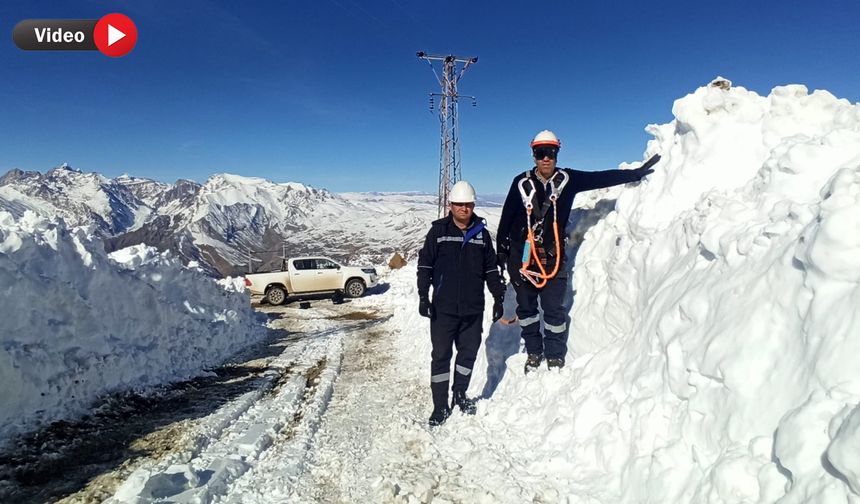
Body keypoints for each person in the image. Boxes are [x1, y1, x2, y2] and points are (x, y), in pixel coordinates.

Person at [496, 130, 660, 372]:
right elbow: (507, 217)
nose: (546, 158)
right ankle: (534, 351)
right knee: (527, 309)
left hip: (553, 257)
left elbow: (600, 178)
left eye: (550, 153)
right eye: (541, 153)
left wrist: (634, 174)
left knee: (553, 310)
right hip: (523, 259)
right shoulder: (521, 183)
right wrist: (502, 252)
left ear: (556, 154)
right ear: (534, 155)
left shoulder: (567, 180)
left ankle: (554, 354)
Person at [417, 180, 506, 426]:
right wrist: (423, 295)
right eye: (459, 205)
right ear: (451, 205)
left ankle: (459, 394)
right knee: (441, 356)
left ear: (473, 205)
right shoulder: (438, 232)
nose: (463, 209)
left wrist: (498, 297)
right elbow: (425, 265)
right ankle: (439, 406)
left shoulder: (482, 235)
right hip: (443, 310)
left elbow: (491, 270)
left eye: (467, 205)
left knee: (467, 355)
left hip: (473, 310)